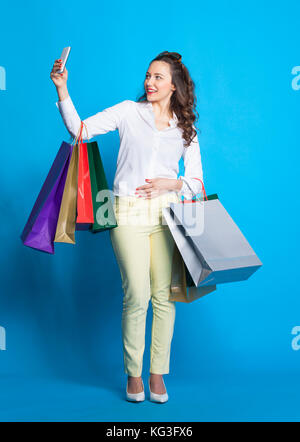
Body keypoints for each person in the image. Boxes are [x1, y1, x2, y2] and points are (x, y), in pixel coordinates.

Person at [50, 50, 204, 403]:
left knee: (164, 297)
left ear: (174, 86)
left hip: (167, 216)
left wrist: (171, 184)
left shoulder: (186, 130)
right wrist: (62, 89)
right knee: (137, 293)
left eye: (158, 77)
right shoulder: (128, 112)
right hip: (128, 213)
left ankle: (157, 374)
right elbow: (80, 130)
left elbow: (196, 182)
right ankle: (133, 374)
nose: (149, 82)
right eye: (148, 76)